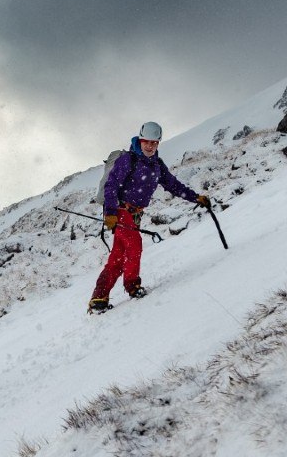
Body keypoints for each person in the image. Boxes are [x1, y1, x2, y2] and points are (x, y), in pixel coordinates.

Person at [89, 121, 210, 313]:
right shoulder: (128, 160)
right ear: (140, 139)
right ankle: (133, 286)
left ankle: (99, 298)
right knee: (134, 245)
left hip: (135, 215)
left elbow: (174, 186)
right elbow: (111, 186)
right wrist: (110, 213)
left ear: (158, 143)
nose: (150, 146)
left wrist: (196, 198)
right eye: (147, 141)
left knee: (118, 257)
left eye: (154, 143)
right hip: (120, 212)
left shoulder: (157, 165)